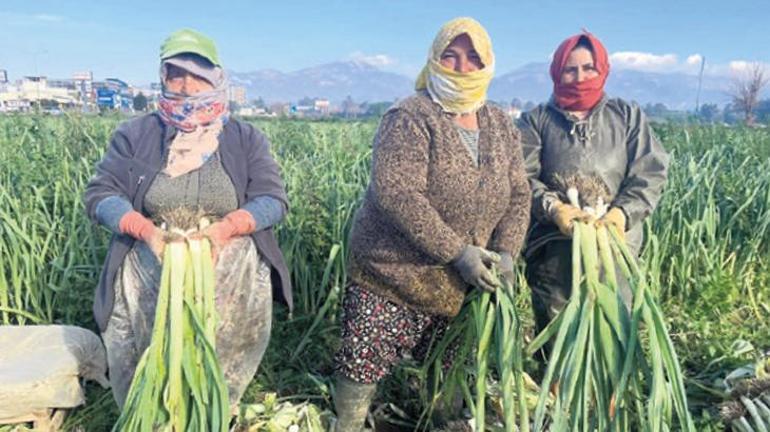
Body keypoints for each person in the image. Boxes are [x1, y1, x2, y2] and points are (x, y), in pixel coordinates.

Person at [332, 17, 531, 431]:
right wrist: (457, 252)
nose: (461, 68)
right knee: (364, 356)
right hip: (393, 272)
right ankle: (347, 422)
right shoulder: (410, 116)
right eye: (450, 56)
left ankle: (441, 418)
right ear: (433, 60)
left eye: (472, 58)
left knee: (451, 361)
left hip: (463, 281)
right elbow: (397, 193)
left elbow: (519, 193)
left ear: (487, 64)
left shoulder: (499, 123)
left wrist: (508, 251)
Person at [83, 28, 291, 410]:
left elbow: (273, 200)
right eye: (175, 73)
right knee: (151, 347)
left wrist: (226, 229)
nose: (187, 85)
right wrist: (145, 230)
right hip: (151, 262)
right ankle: (151, 412)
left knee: (220, 352)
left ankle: (212, 410)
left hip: (228, 267)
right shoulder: (135, 134)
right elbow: (100, 195)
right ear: (162, 77)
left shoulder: (245, 138)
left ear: (217, 77)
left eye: (198, 74)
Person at [518, 31, 669, 338]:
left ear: (603, 70)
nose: (579, 77)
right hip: (554, 245)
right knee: (559, 330)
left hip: (615, 243)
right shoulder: (536, 121)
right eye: (570, 69)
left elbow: (649, 172)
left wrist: (622, 213)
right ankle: (557, 385)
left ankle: (610, 386)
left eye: (589, 68)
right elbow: (520, 178)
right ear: (557, 72)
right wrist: (554, 208)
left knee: (612, 326)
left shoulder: (627, 116)